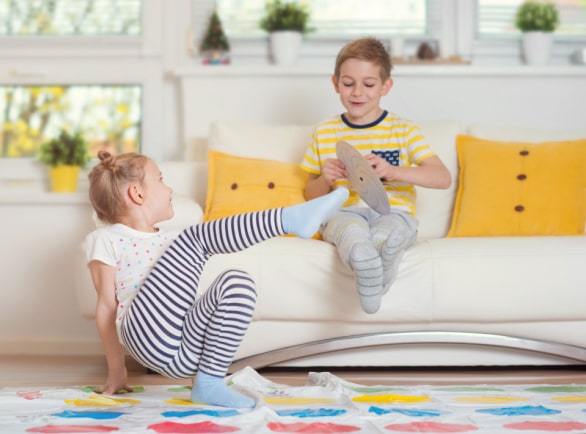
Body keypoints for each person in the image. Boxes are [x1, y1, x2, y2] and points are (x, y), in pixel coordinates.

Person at [84, 151, 349, 408]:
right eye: (161, 179)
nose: (169, 188)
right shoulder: (107, 238)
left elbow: (181, 306)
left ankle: (209, 381)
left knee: (237, 282)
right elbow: (107, 306)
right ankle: (289, 219)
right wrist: (116, 371)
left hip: (183, 353)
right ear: (137, 193)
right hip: (145, 336)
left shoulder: (171, 240)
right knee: (193, 238)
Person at [300, 37, 451, 314]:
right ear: (335, 84)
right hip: (343, 212)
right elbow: (309, 196)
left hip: (393, 211)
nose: (358, 92)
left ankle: (383, 252)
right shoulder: (324, 131)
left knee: (392, 227)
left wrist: (393, 171)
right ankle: (361, 253)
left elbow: (442, 178)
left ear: (386, 86)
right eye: (348, 84)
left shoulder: (404, 130)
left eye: (369, 84)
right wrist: (325, 180)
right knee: (349, 231)